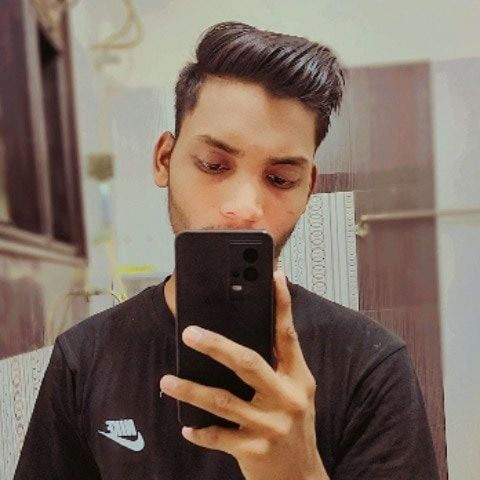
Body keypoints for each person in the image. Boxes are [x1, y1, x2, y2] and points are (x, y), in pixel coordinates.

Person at [14, 22, 439, 479]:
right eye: (214, 165)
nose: (244, 207)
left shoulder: (371, 365)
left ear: (308, 188)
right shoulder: (85, 356)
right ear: (164, 159)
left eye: (280, 179)